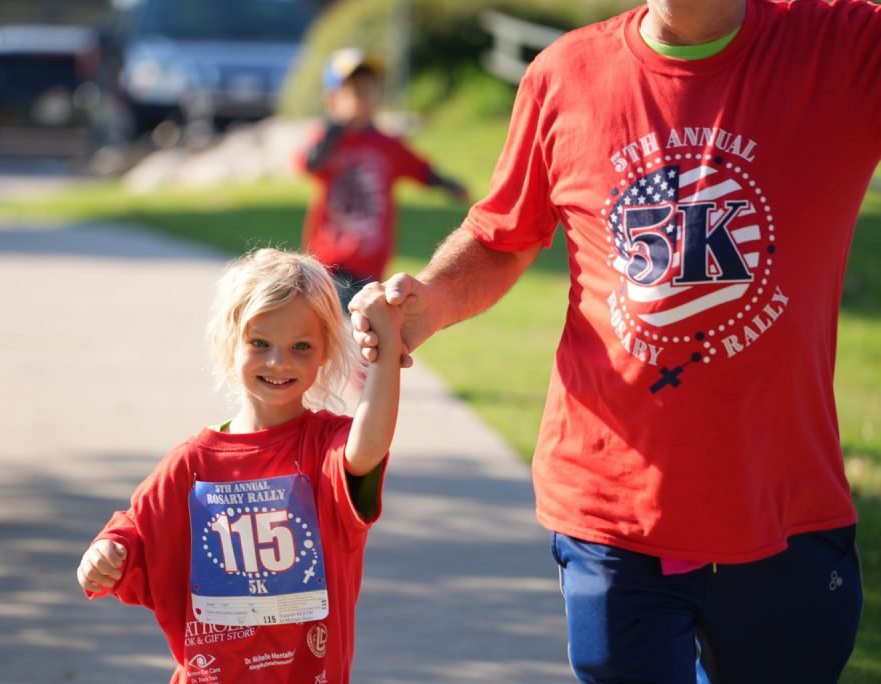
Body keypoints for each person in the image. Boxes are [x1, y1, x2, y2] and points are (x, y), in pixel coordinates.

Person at [350, 0, 879, 681]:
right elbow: (502, 236)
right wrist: (432, 302)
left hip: (784, 511)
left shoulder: (848, 47)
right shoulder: (565, 73)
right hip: (610, 512)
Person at [77, 248, 402, 683]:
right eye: (260, 343)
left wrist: (386, 344)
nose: (278, 361)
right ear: (230, 342)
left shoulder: (326, 446)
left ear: (325, 350)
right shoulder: (192, 464)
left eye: (300, 346)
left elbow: (367, 448)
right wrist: (105, 554)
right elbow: (134, 531)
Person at [299, 47, 468, 311]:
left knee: (357, 333)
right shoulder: (328, 140)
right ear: (332, 99)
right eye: (354, 92)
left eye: (369, 90)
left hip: (371, 262)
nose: (363, 99)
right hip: (329, 262)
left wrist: (449, 185)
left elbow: (420, 169)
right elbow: (309, 164)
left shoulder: (387, 145)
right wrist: (334, 129)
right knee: (338, 326)